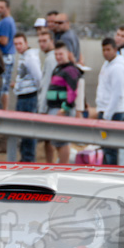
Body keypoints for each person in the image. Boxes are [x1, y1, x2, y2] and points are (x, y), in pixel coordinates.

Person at [46, 42, 82, 164]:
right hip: (54, 109)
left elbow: (72, 92)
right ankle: (61, 164)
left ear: (68, 54)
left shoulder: (70, 70)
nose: (58, 57)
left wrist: (64, 109)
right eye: (56, 54)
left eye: (60, 54)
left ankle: (63, 166)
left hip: (61, 110)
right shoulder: (59, 68)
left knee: (62, 141)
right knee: (57, 141)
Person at [95, 38, 124, 165]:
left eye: (108, 50)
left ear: (115, 49)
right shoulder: (107, 65)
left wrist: (107, 115)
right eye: (103, 50)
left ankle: (111, 171)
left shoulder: (118, 68)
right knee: (104, 146)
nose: (105, 53)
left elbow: (117, 94)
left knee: (111, 148)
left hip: (114, 113)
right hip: (105, 110)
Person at [12, 33, 42, 162]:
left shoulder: (30, 57)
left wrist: (35, 91)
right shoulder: (23, 56)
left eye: (20, 43)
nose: (18, 46)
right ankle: (25, 156)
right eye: (16, 44)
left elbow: (38, 77)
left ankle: (28, 158)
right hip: (22, 96)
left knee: (28, 129)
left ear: (26, 43)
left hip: (29, 97)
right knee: (22, 129)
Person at [37, 30, 58, 163]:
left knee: (49, 140)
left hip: (49, 105)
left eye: (45, 41)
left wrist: (42, 108)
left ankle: (51, 164)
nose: (42, 44)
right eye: (40, 41)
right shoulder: (51, 57)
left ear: (52, 41)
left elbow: (46, 85)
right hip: (51, 103)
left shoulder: (51, 59)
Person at [0, 0, 16, 110]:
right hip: (8, 57)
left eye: (1, 7)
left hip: (4, 58)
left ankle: (3, 111)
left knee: (2, 87)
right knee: (4, 87)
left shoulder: (6, 22)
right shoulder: (8, 20)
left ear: (8, 8)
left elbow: (4, 40)